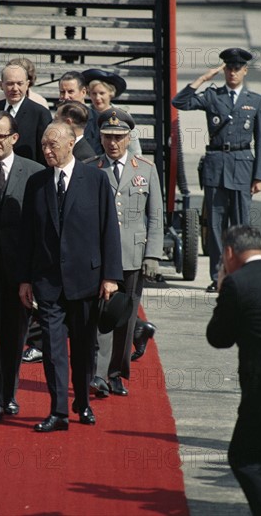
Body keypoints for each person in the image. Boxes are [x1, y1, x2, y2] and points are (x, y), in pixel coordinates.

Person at [18, 121, 123, 432]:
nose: (47, 150)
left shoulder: (95, 179)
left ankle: (83, 403)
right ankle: (58, 411)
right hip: (47, 281)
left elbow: (109, 230)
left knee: (82, 347)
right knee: (52, 349)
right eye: (44, 146)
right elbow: (28, 237)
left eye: (53, 145)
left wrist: (110, 276)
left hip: (86, 280)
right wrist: (25, 279)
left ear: (69, 145)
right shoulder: (36, 183)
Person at [172, 48, 261, 293]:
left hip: (242, 165)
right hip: (216, 166)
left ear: (245, 71)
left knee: (241, 225)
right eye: (229, 68)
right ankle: (218, 277)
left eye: (237, 68)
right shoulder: (213, 96)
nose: (233, 72)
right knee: (215, 225)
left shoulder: (254, 100)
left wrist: (259, 176)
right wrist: (203, 78)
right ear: (224, 69)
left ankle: (243, 277)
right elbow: (179, 102)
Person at [0, 111, 44, 424]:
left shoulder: (34, 172)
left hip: (20, 272)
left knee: (15, 338)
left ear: (15, 138)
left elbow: (41, 227)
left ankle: (9, 394)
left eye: (1, 136)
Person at [88, 108, 163, 396]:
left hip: (133, 254)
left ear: (129, 137)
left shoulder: (145, 168)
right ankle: (99, 374)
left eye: (119, 137)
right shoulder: (91, 168)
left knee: (126, 316)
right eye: (107, 136)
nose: (113, 143)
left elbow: (155, 216)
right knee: (102, 314)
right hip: (101, 255)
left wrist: (153, 255)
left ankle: (116, 372)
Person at [206, 225, 261, 516]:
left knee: (245, 458)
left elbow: (218, 338)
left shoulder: (238, 284)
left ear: (229, 252)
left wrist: (223, 286)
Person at [0, 63, 52, 165]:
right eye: (10, 83)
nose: (15, 89)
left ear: (27, 84)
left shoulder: (40, 113)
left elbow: (44, 152)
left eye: (19, 84)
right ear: (1, 85)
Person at [82, 68, 142, 156]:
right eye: (94, 93)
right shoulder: (83, 114)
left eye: (102, 93)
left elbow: (135, 149)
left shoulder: (123, 115)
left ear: (111, 93)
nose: (97, 98)